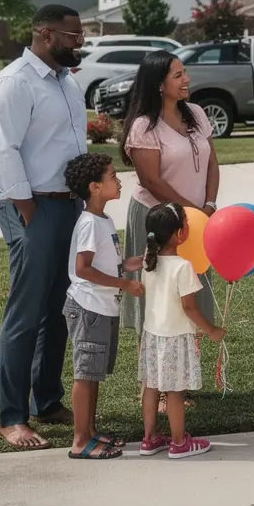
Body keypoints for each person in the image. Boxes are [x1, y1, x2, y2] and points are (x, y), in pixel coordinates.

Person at [0, 3, 88, 451]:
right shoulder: (13, 83)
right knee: (26, 314)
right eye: (73, 36)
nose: (79, 42)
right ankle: (12, 417)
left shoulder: (67, 83)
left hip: (68, 206)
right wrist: (29, 211)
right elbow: (4, 153)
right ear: (46, 35)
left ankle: (47, 401)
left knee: (59, 310)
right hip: (31, 206)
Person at [119, 51, 218, 409]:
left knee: (187, 295)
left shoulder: (197, 115)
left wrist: (208, 206)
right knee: (159, 303)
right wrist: (187, 213)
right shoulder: (144, 127)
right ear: (159, 84)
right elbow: (151, 180)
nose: (186, 79)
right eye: (177, 75)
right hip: (158, 220)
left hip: (194, 220)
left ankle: (177, 382)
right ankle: (156, 387)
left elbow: (212, 163)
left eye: (184, 72)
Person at [61, 153, 146, 460]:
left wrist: (138, 263)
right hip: (88, 308)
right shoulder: (88, 224)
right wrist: (126, 285)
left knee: (93, 373)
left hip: (101, 307)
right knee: (85, 375)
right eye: (112, 176)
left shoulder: (104, 220)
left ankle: (90, 431)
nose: (119, 180)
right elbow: (82, 268)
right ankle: (80, 440)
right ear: (95, 187)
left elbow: (112, 264)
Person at [138, 203, 226, 459]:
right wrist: (211, 330)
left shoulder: (148, 262)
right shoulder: (183, 267)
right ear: (179, 234)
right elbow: (189, 307)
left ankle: (149, 439)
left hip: (152, 335)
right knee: (174, 390)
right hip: (174, 338)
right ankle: (179, 442)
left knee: (152, 387)